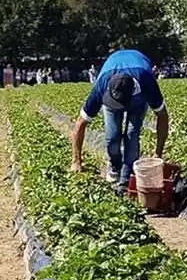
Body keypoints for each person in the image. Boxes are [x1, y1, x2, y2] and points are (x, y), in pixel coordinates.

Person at [72, 49, 169, 189]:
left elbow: (162, 116)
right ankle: (115, 166)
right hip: (112, 75)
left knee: (132, 133)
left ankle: (127, 175)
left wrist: (158, 154)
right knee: (112, 136)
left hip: (138, 100)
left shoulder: (146, 81)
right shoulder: (102, 85)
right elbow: (80, 123)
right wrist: (76, 160)